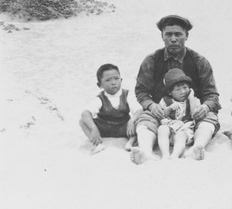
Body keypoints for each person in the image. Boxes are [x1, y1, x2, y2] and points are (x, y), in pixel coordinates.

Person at [131, 15, 220, 164]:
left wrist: (204, 107)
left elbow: (212, 94)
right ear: (162, 36)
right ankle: (145, 152)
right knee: (145, 119)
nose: (173, 39)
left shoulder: (199, 61)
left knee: (210, 118)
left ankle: (196, 149)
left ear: (186, 36)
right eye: (168, 34)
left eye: (178, 34)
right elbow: (141, 92)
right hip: (161, 115)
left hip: (193, 116)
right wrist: (152, 106)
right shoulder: (151, 60)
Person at [79, 64, 142, 154]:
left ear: (121, 80)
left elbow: (138, 110)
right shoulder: (100, 98)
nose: (113, 82)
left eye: (116, 78)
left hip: (123, 127)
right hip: (104, 128)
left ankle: (131, 142)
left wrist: (132, 121)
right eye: (108, 80)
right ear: (99, 85)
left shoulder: (127, 94)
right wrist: (93, 128)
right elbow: (85, 113)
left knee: (140, 121)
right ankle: (98, 144)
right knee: (82, 121)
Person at [157, 68, 201, 159]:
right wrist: (169, 109)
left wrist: (191, 98)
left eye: (185, 87)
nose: (183, 92)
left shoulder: (193, 100)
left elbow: (194, 115)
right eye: (178, 89)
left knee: (181, 135)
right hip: (170, 130)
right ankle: (165, 154)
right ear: (170, 92)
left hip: (184, 129)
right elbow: (162, 115)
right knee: (162, 129)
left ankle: (175, 155)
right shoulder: (165, 101)